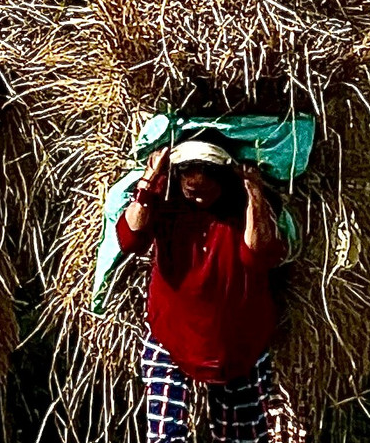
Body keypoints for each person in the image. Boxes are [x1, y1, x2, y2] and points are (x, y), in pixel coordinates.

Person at [116, 139, 287, 443]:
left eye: (206, 192)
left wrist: (253, 191)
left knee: (244, 438)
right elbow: (130, 239)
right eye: (191, 191)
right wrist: (148, 181)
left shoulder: (246, 206)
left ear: (224, 181)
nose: (197, 199)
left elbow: (259, 254)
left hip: (237, 346)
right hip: (172, 336)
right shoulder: (164, 198)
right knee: (165, 437)